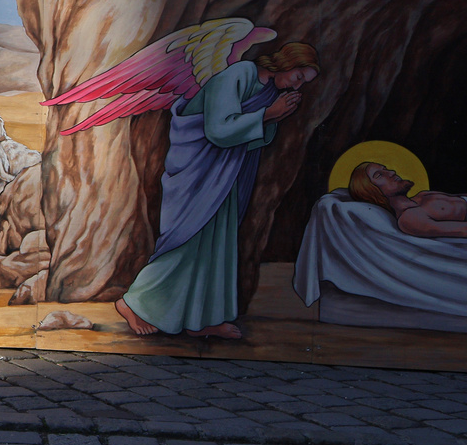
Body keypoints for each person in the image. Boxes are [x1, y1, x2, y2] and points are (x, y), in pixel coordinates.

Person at [115, 42, 320, 339]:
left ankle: (204, 320)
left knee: (216, 244)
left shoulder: (268, 91)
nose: (297, 85)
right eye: (299, 76)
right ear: (287, 63)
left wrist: (273, 116)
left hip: (224, 173)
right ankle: (133, 302)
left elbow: (253, 139)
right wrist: (266, 115)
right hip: (197, 171)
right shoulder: (239, 74)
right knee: (188, 239)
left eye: (304, 82)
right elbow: (218, 130)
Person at [348, 162, 467, 239]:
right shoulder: (409, 218)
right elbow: (462, 230)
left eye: (386, 169)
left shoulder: (422, 195)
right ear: (372, 191)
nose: (391, 172)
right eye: (379, 175)